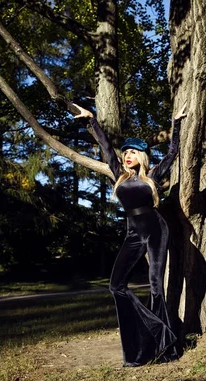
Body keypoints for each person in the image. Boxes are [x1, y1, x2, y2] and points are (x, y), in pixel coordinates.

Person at [72, 102, 187, 367]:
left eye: (133, 152)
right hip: (133, 234)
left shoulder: (153, 177)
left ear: (142, 157)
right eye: (126, 153)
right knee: (116, 286)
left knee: (157, 287)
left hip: (157, 230)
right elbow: (106, 149)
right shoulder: (120, 176)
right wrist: (91, 120)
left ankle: (164, 349)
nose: (127, 156)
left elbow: (173, 152)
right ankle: (152, 335)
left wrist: (176, 123)